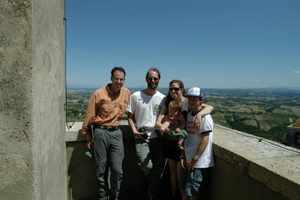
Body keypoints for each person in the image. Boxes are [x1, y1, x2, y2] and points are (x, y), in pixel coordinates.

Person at [156, 80, 213, 200]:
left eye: (176, 89)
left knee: (186, 182)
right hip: (181, 149)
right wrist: (161, 126)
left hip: (193, 154)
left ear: (182, 90)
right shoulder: (171, 103)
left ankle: (178, 195)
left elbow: (210, 108)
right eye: (171, 89)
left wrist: (200, 114)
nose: (173, 91)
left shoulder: (192, 107)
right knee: (179, 178)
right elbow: (165, 119)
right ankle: (174, 195)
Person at [80, 67, 130, 200]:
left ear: (124, 80)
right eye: (116, 79)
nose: (119, 82)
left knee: (117, 170)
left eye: (121, 79)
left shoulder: (126, 93)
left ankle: (115, 196)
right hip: (100, 132)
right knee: (101, 169)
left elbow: (132, 112)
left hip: (117, 133)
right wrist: (88, 138)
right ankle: (103, 197)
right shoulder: (98, 94)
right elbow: (89, 116)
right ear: (111, 78)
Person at [127, 68, 165, 200]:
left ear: (159, 80)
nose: (152, 81)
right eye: (150, 78)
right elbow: (130, 117)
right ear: (146, 79)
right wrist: (134, 130)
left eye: (155, 78)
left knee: (159, 168)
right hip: (141, 136)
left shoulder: (162, 98)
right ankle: (151, 193)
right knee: (147, 166)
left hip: (157, 138)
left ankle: (150, 194)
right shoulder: (135, 96)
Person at [183, 87, 214, 200]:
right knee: (189, 191)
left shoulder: (206, 117)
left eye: (194, 99)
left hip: (199, 163)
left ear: (201, 100)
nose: (191, 101)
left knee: (194, 192)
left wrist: (195, 159)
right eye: (190, 98)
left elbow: (205, 139)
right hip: (191, 162)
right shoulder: (190, 115)